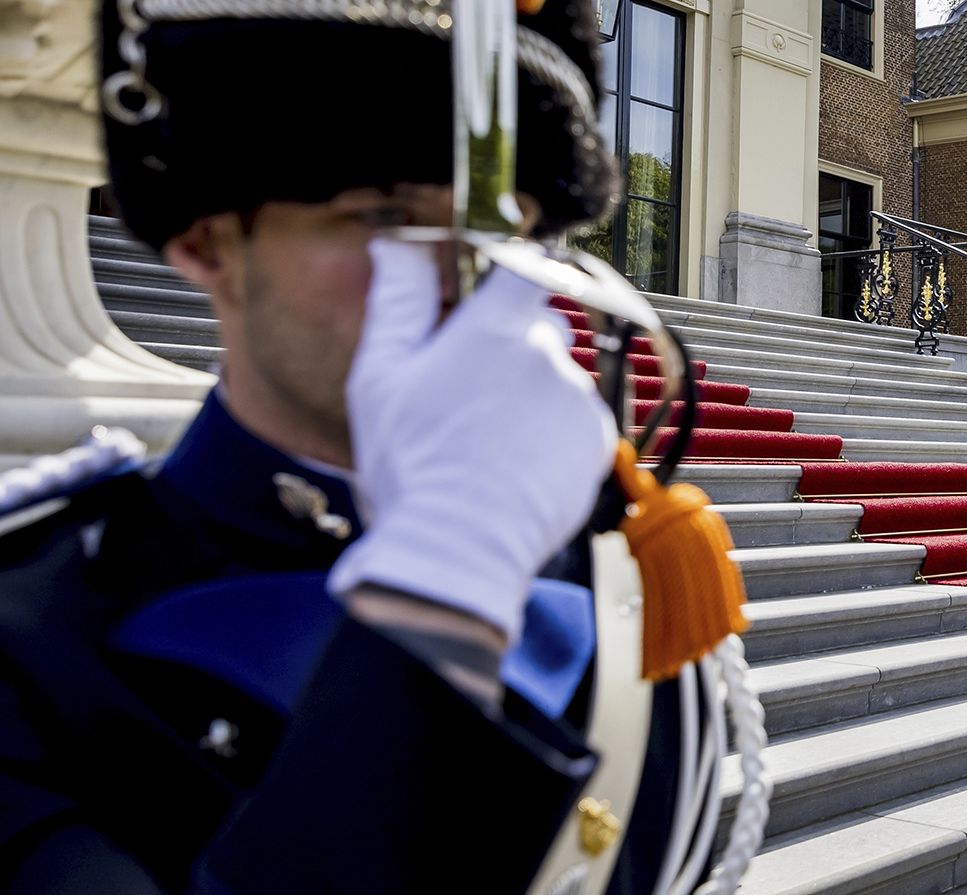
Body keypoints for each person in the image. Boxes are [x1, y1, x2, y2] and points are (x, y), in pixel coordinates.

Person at [0, 2, 699, 891]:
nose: (466, 275)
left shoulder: (619, 588)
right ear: (208, 242)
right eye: (382, 215)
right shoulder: (30, 636)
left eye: (504, 228)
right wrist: (441, 587)